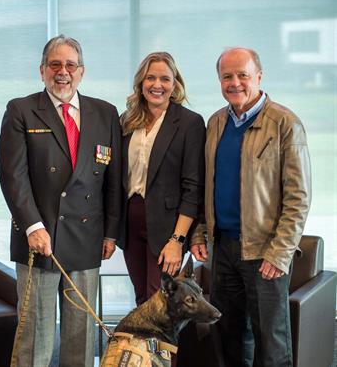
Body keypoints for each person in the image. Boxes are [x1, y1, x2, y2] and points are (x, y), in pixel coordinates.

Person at [0, 34, 121, 367]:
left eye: (70, 65)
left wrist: (110, 232)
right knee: (34, 337)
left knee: (80, 341)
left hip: (87, 238)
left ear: (81, 72)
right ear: (42, 71)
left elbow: (114, 180)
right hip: (39, 238)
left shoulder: (106, 113)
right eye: (55, 64)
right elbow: (13, 177)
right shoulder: (21, 110)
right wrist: (33, 226)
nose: (62, 72)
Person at [190, 47, 311, 367]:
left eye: (242, 75)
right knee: (228, 338)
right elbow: (209, 187)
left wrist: (280, 253)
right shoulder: (216, 122)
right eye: (226, 76)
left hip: (265, 252)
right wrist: (201, 232)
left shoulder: (285, 123)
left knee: (271, 342)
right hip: (223, 250)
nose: (235, 82)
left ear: (258, 76)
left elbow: (298, 198)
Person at [119, 51, 205, 305]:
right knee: (142, 301)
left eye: (165, 79)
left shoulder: (190, 123)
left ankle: (163, 347)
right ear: (140, 83)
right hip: (131, 223)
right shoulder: (127, 120)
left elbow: (193, 187)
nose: (157, 85)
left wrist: (178, 240)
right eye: (151, 78)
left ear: (175, 84)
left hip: (168, 227)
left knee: (160, 302)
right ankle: (145, 347)